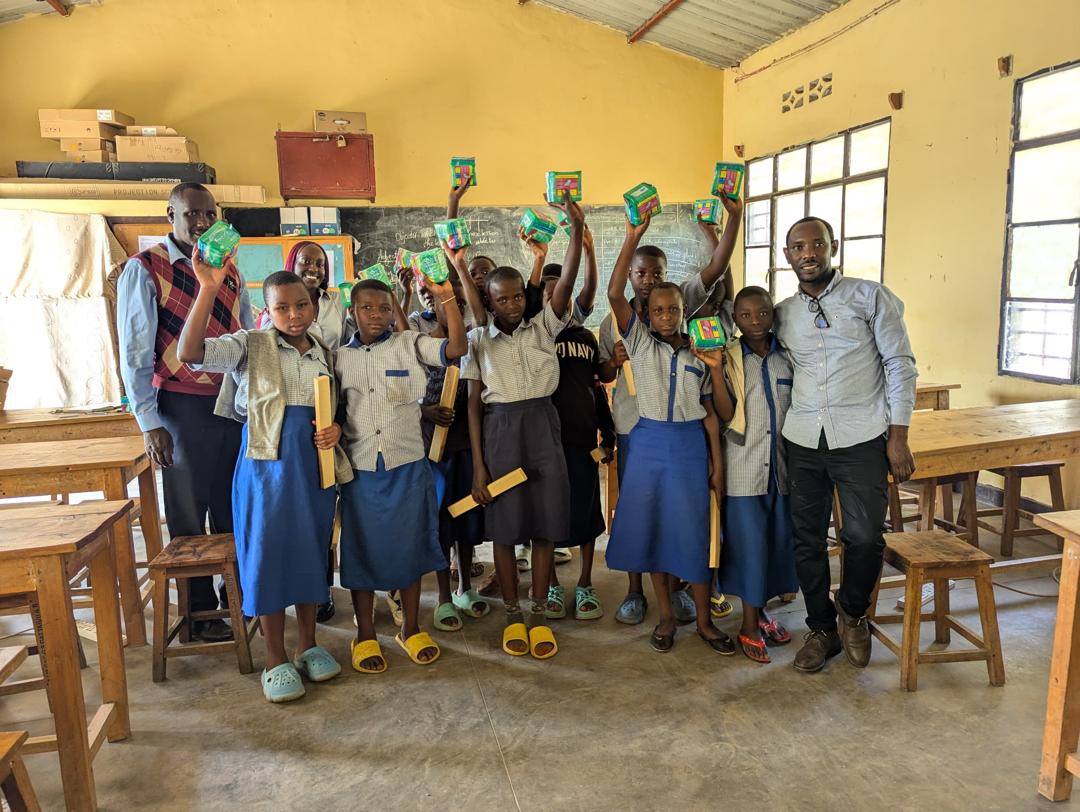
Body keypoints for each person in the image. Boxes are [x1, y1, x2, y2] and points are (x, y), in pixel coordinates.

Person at [178, 264, 349, 702]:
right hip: (265, 470)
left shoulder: (324, 352)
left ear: (314, 307)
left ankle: (307, 645)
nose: (294, 314)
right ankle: (275, 657)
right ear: (266, 311)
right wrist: (208, 288)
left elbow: (333, 410)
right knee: (267, 554)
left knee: (311, 552)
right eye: (282, 308)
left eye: (302, 305)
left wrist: (333, 430)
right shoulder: (249, 346)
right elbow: (190, 352)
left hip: (313, 469)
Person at [775, 216, 917, 674]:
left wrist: (898, 437)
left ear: (833, 246)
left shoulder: (870, 297)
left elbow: (900, 365)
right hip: (803, 439)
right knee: (807, 539)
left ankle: (853, 611)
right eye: (799, 247)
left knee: (864, 536)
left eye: (817, 244)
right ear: (788, 255)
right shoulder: (783, 314)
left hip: (861, 437)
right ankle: (821, 628)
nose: (809, 253)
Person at [117, 182, 253, 643]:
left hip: (230, 403)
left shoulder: (229, 269)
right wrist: (150, 422)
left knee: (232, 505)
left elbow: (245, 333)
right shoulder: (145, 268)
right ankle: (200, 615)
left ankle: (238, 600)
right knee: (188, 515)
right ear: (170, 215)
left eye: (209, 214)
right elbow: (135, 353)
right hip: (179, 406)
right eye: (192, 213)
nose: (202, 222)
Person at [598, 194, 743, 627]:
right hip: (640, 434)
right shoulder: (631, 333)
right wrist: (632, 234)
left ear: (683, 310)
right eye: (641, 274)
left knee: (687, 523)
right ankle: (640, 596)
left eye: (672, 309)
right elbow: (612, 295)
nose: (650, 282)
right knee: (643, 519)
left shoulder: (696, 345)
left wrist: (725, 222)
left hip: (686, 442)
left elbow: (714, 412)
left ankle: (688, 601)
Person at [463, 193, 585, 660]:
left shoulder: (544, 328)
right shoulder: (478, 339)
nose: (512, 304)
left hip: (543, 427)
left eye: (517, 296)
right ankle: (512, 612)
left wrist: (575, 230)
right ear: (489, 302)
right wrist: (480, 467)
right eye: (502, 299)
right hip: (500, 433)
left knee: (545, 526)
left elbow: (566, 281)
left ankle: (537, 613)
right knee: (506, 527)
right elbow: (474, 405)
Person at [335, 276, 468, 673]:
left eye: (384, 308)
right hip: (361, 469)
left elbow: (456, 348)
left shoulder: (409, 344)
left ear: (393, 310)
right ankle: (365, 634)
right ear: (352, 312)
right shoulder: (339, 357)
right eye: (366, 308)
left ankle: (410, 628)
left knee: (411, 547)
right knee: (360, 550)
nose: (376, 315)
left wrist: (446, 296)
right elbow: (334, 409)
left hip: (408, 464)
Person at [710, 286, 798, 663]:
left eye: (762, 313)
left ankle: (760, 615)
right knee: (750, 550)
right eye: (745, 315)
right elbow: (726, 413)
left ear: (773, 314)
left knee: (776, 545)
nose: (755, 322)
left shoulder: (787, 357)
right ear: (736, 320)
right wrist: (716, 371)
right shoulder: (729, 356)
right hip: (743, 469)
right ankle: (748, 626)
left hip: (782, 469)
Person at [533, 226, 613, 621]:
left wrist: (607, 431)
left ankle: (584, 583)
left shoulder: (585, 336)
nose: (557, 298)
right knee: (548, 517)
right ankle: (550, 584)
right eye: (549, 294)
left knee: (586, 513)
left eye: (561, 292)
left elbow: (596, 389)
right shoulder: (535, 335)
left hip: (582, 441)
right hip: (546, 444)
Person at [418, 272, 489, 632]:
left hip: (465, 444)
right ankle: (444, 596)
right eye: (449, 303)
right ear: (433, 305)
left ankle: (465, 587)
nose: (456, 309)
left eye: (462, 304)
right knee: (441, 523)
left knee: (466, 519)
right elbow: (404, 394)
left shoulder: (474, 343)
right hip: (434, 451)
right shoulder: (420, 345)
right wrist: (424, 411)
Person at [256, 241, 350, 351]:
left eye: (320, 265)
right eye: (306, 262)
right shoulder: (275, 309)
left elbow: (346, 342)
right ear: (292, 265)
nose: (314, 269)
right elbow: (264, 348)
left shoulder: (338, 301)